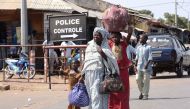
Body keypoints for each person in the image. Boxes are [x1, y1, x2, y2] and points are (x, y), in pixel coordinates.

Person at [81, 27, 119, 109]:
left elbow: (112, 63)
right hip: (88, 75)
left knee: (96, 97)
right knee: (90, 96)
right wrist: (81, 75)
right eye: (95, 35)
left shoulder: (105, 48)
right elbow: (85, 61)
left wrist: (102, 53)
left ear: (102, 37)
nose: (96, 36)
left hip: (99, 75)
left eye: (98, 35)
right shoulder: (89, 45)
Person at [108, 26, 133, 109]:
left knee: (123, 91)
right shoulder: (109, 44)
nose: (115, 39)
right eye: (113, 37)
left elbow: (128, 39)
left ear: (120, 37)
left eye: (116, 37)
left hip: (123, 71)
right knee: (113, 91)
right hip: (113, 72)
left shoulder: (123, 44)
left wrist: (129, 33)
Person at [135, 34, 152, 100]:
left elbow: (150, 58)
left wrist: (147, 65)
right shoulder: (138, 47)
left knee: (146, 81)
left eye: (141, 38)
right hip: (139, 67)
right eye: (139, 38)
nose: (140, 39)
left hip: (146, 68)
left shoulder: (149, 47)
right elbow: (137, 57)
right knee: (138, 80)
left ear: (145, 39)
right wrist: (135, 65)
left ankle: (145, 95)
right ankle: (142, 92)